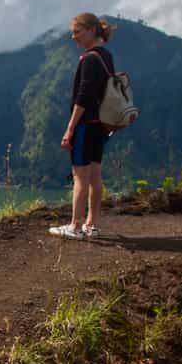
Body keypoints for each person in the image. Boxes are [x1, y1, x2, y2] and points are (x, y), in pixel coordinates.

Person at [52, 12, 117, 239]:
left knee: (80, 175)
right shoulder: (106, 56)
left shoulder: (89, 59)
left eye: (77, 32)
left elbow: (83, 96)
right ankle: (92, 224)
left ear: (91, 30)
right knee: (95, 174)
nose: (73, 37)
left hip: (85, 125)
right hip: (100, 125)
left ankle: (75, 227)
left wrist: (70, 129)